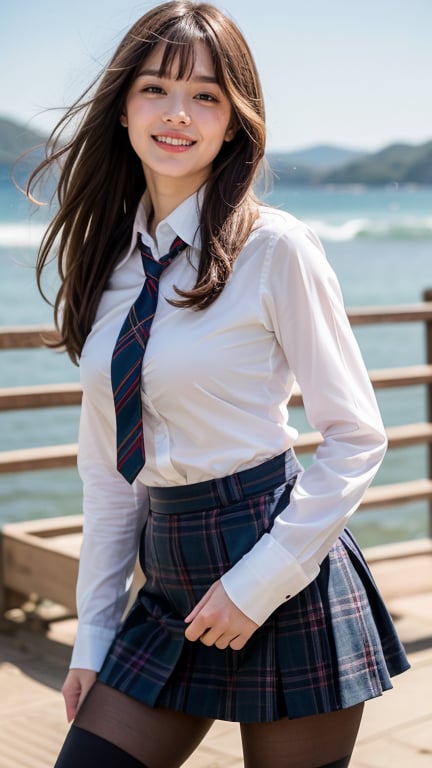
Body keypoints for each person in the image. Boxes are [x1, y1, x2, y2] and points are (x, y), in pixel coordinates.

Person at [27, 2, 409, 766]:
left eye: (206, 95)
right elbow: (108, 476)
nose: (178, 115)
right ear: (123, 106)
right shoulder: (112, 265)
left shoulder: (276, 249)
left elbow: (355, 436)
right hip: (166, 573)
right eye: (155, 90)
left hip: (279, 559)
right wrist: (92, 637)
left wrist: (256, 582)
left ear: (235, 121)